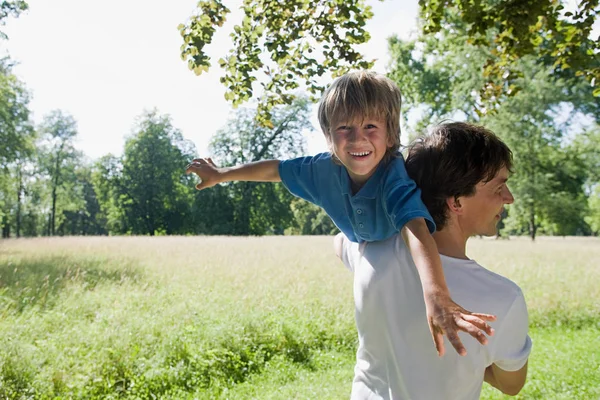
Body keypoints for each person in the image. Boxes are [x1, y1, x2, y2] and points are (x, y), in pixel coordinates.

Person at [186, 71, 495, 356]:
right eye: (344, 128)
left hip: (392, 236)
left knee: (385, 259)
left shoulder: (393, 178)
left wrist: (437, 294)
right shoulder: (320, 169)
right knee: (341, 244)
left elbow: (415, 229)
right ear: (329, 136)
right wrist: (221, 174)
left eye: (370, 127)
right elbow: (274, 169)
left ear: (390, 136)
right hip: (354, 237)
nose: (357, 138)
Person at [335, 122, 532, 399]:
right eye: (499, 187)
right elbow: (511, 385)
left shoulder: (368, 249)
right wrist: (472, 357)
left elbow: (339, 242)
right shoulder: (503, 297)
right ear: (457, 202)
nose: (508, 198)